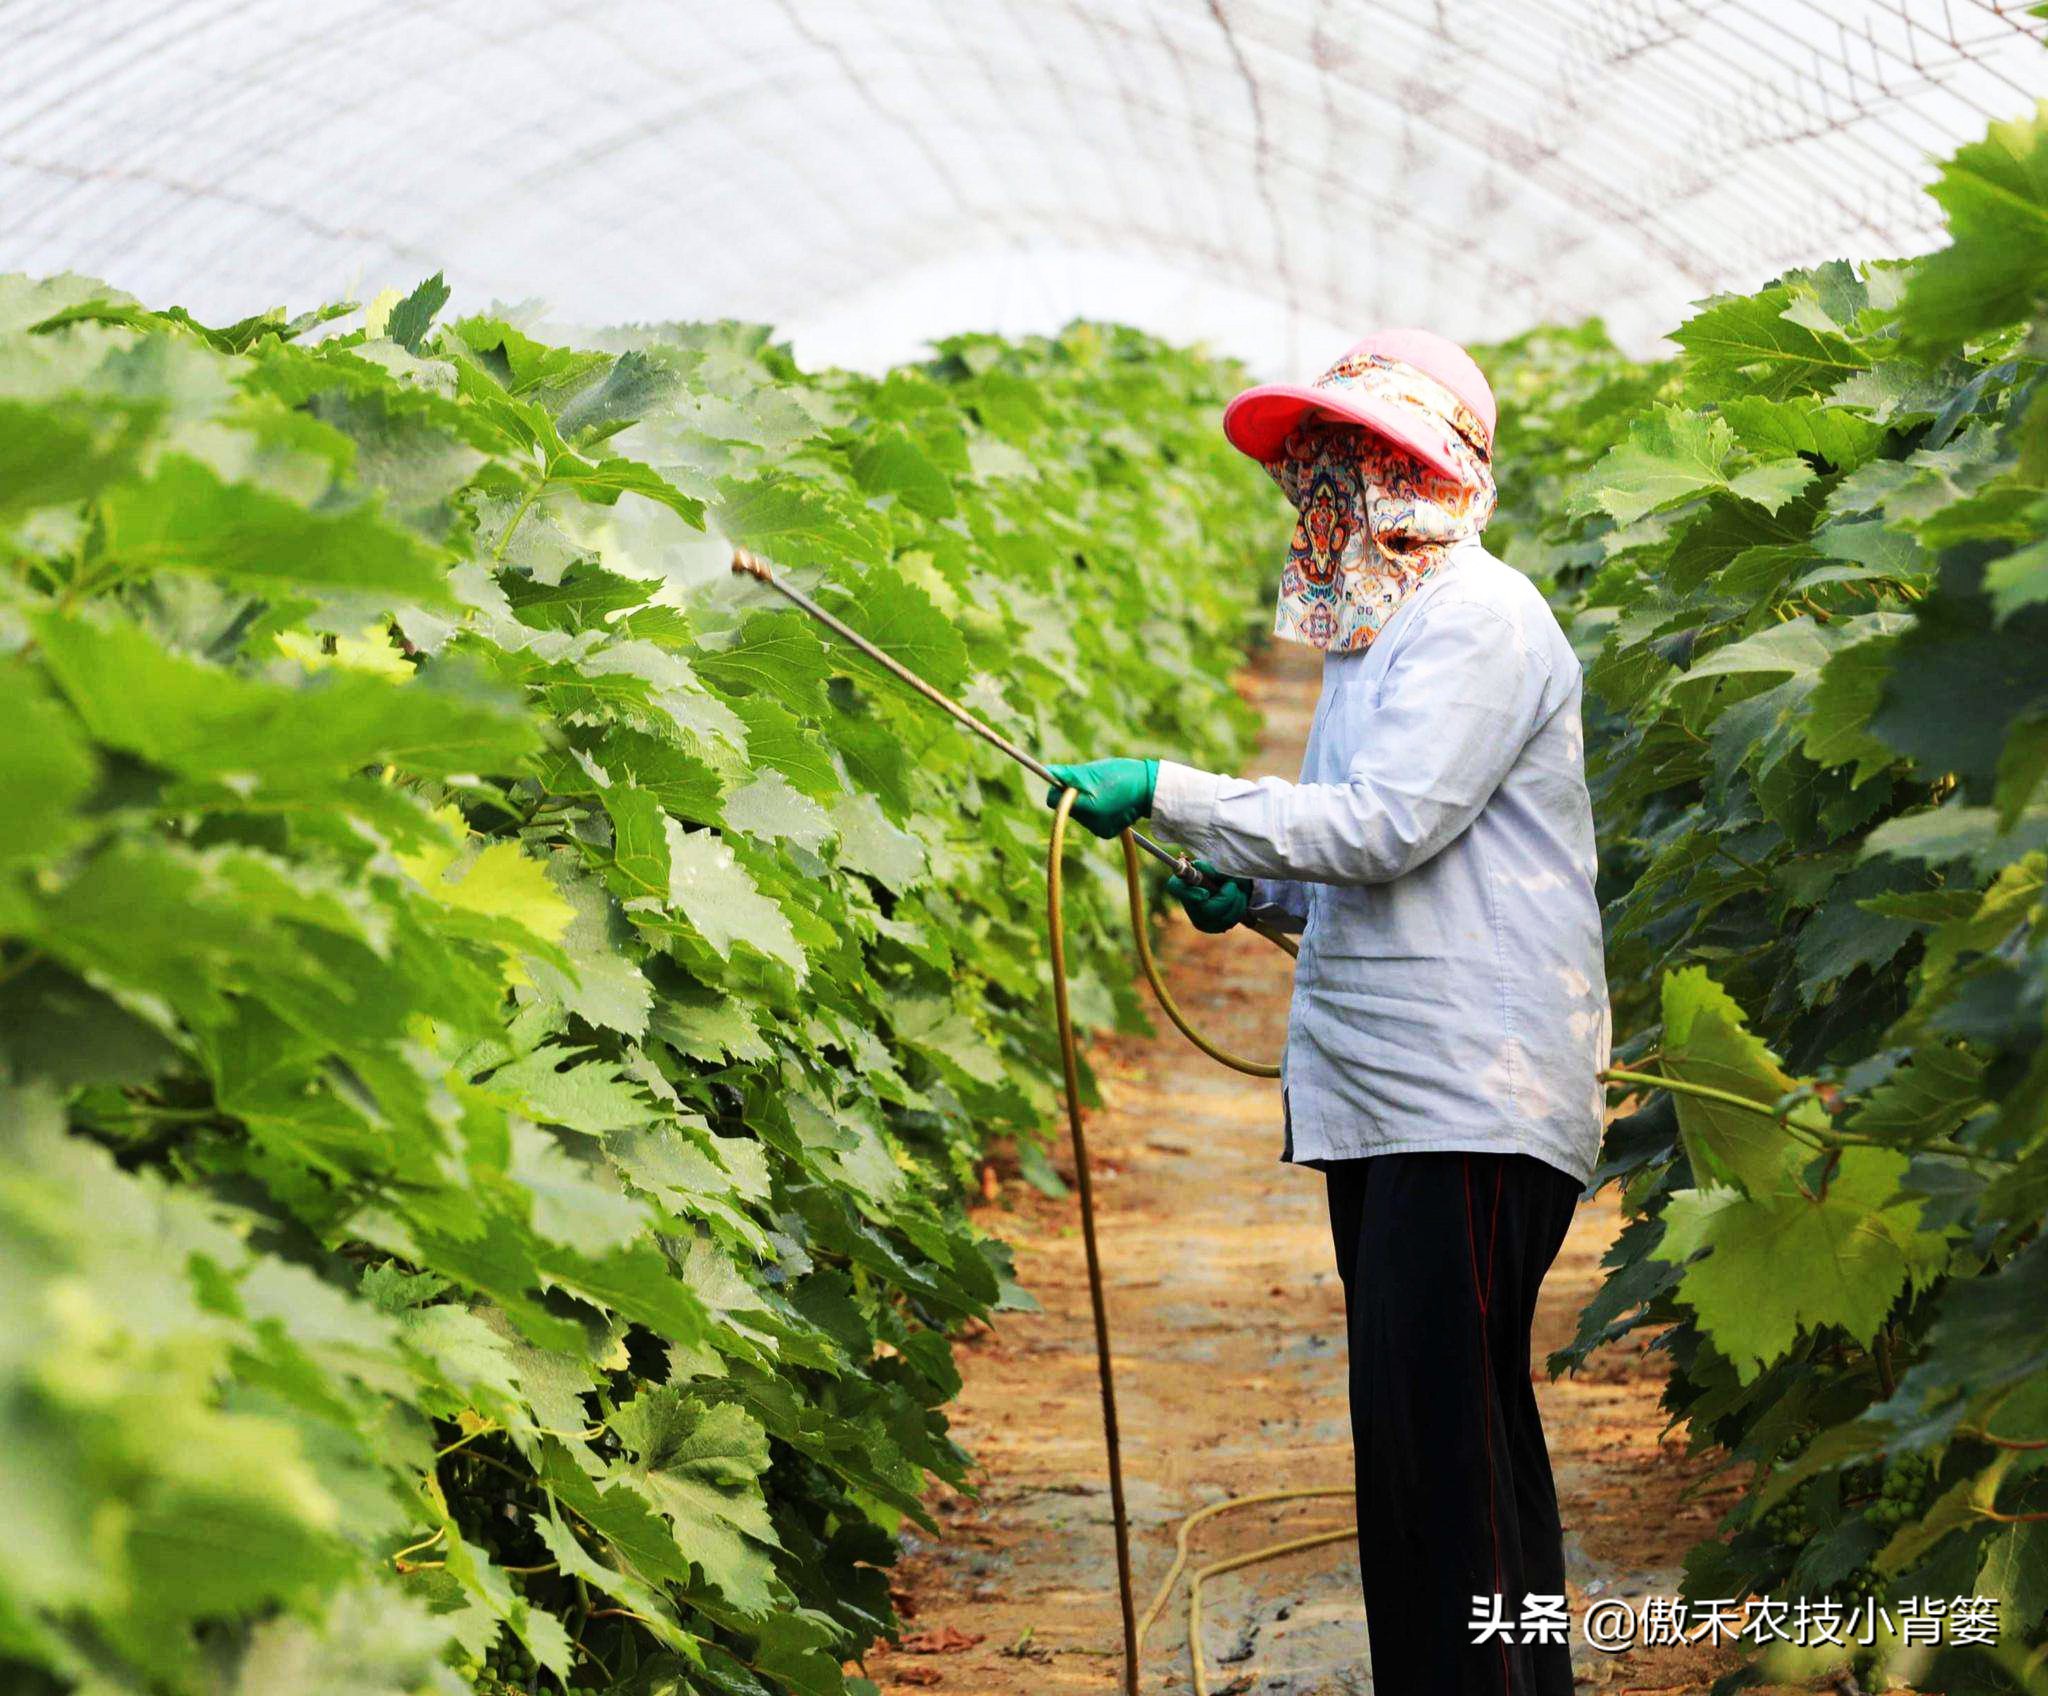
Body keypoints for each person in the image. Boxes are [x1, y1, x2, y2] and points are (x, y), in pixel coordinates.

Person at [1044, 329, 1608, 1696]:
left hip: (1466, 1100)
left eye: (1368, 461)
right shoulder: (1376, 644)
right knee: (1449, 1445)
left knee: (1444, 1460)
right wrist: (1259, 894)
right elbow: (1378, 864)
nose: (1336, 492)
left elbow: (1392, 826)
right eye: (1325, 465)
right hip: (1397, 1103)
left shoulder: (1477, 620)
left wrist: (1173, 792)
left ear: (1436, 474)